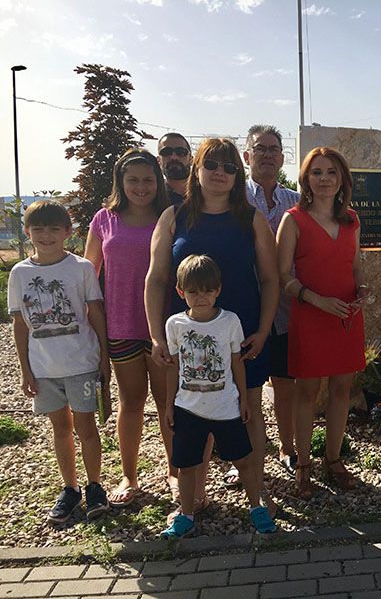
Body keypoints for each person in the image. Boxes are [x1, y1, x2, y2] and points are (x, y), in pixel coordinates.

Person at [145, 137, 280, 518]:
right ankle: (195, 497)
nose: (220, 173)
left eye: (229, 167)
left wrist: (264, 328)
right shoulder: (174, 217)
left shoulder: (250, 217)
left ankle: (257, 493)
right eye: (212, 165)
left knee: (248, 408)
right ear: (197, 169)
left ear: (238, 174)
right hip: (187, 338)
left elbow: (270, 279)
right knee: (192, 414)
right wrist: (157, 335)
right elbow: (156, 279)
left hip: (242, 335)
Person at [8, 200, 112, 524]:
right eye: (38, 228)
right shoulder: (20, 273)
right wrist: (25, 369)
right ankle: (70, 488)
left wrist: (104, 358)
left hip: (81, 363)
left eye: (54, 228)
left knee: (86, 428)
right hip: (44, 369)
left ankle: (95, 485)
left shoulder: (81, 268)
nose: (46, 235)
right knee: (60, 429)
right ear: (27, 232)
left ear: (68, 232)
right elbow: (20, 323)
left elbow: (95, 312)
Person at [160, 254, 277, 538]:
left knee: (244, 461)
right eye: (193, 291)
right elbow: (174, 368)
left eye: (207, 290)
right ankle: (186, 515)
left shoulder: (230, 321)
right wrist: (168, 405)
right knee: (185, 465)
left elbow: (237, 362)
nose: (201, 297)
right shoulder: (174, 325)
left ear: (218, 290)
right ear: (180, 292)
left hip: (226, 407)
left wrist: (244, 399)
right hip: (188, 408)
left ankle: (255, 508)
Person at [276, 146, 369, 499]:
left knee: (342, 389)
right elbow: (283, 275)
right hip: (311, 316)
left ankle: (334, 460)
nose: (325, 178)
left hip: (346, 317)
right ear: (306, 179)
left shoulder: (352, 219)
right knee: (307, 392)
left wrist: (363, 288)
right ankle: (303, 466)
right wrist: (317, 300)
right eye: (317, 172)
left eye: (332, 172)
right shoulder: (294, 220)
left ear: (342, 178)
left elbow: (356, 266)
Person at [84, 149, 172, 507]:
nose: (141, 186)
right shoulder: (104, 219)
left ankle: (175, 471)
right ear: (120, 182)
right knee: (131, 402)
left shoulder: (170, 217)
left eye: (148, 179)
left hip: (162, 327)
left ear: (158, 181)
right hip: (120, 326)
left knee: (169, 403)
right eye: (133, 179)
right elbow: (89, 274)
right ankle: (129, 475)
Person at [243, 124, 300, 476]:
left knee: (284, 382)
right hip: (244, 304)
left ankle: (287, 447)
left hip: (286, 309)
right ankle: (243, 457)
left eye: (273, 149)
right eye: (259, 148)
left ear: (281, 158)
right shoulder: (234, 200)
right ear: (247, 156)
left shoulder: (296, 202)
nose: (267, 154)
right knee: (244, 387)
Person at [157, 133, 192, 206]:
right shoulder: (152, 196)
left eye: (181, 152)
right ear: (158, 160)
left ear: (191, 159)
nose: (174, 157)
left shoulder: (206, 193)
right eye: (166, 152)